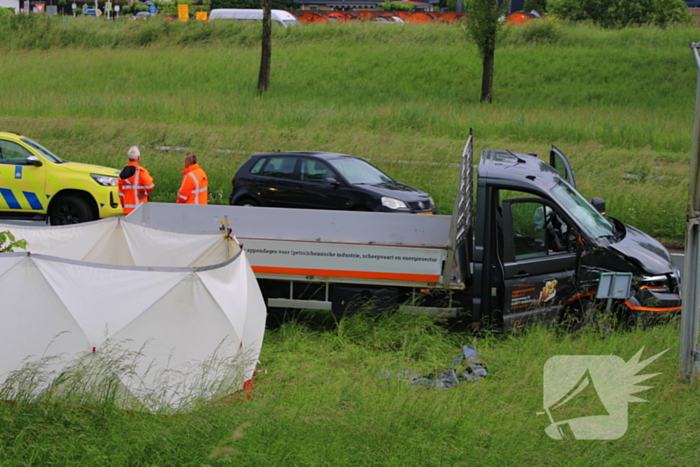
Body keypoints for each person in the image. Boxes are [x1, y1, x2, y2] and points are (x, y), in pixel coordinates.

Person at [118, 146, 155, 215]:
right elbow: (150, 185)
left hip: (127, 211)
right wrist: (144, 193)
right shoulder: (141, 172)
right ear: (138, 158)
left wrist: (124, 206)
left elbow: (120, 194)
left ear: (129, 158)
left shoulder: (121, 174)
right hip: (140, 210)